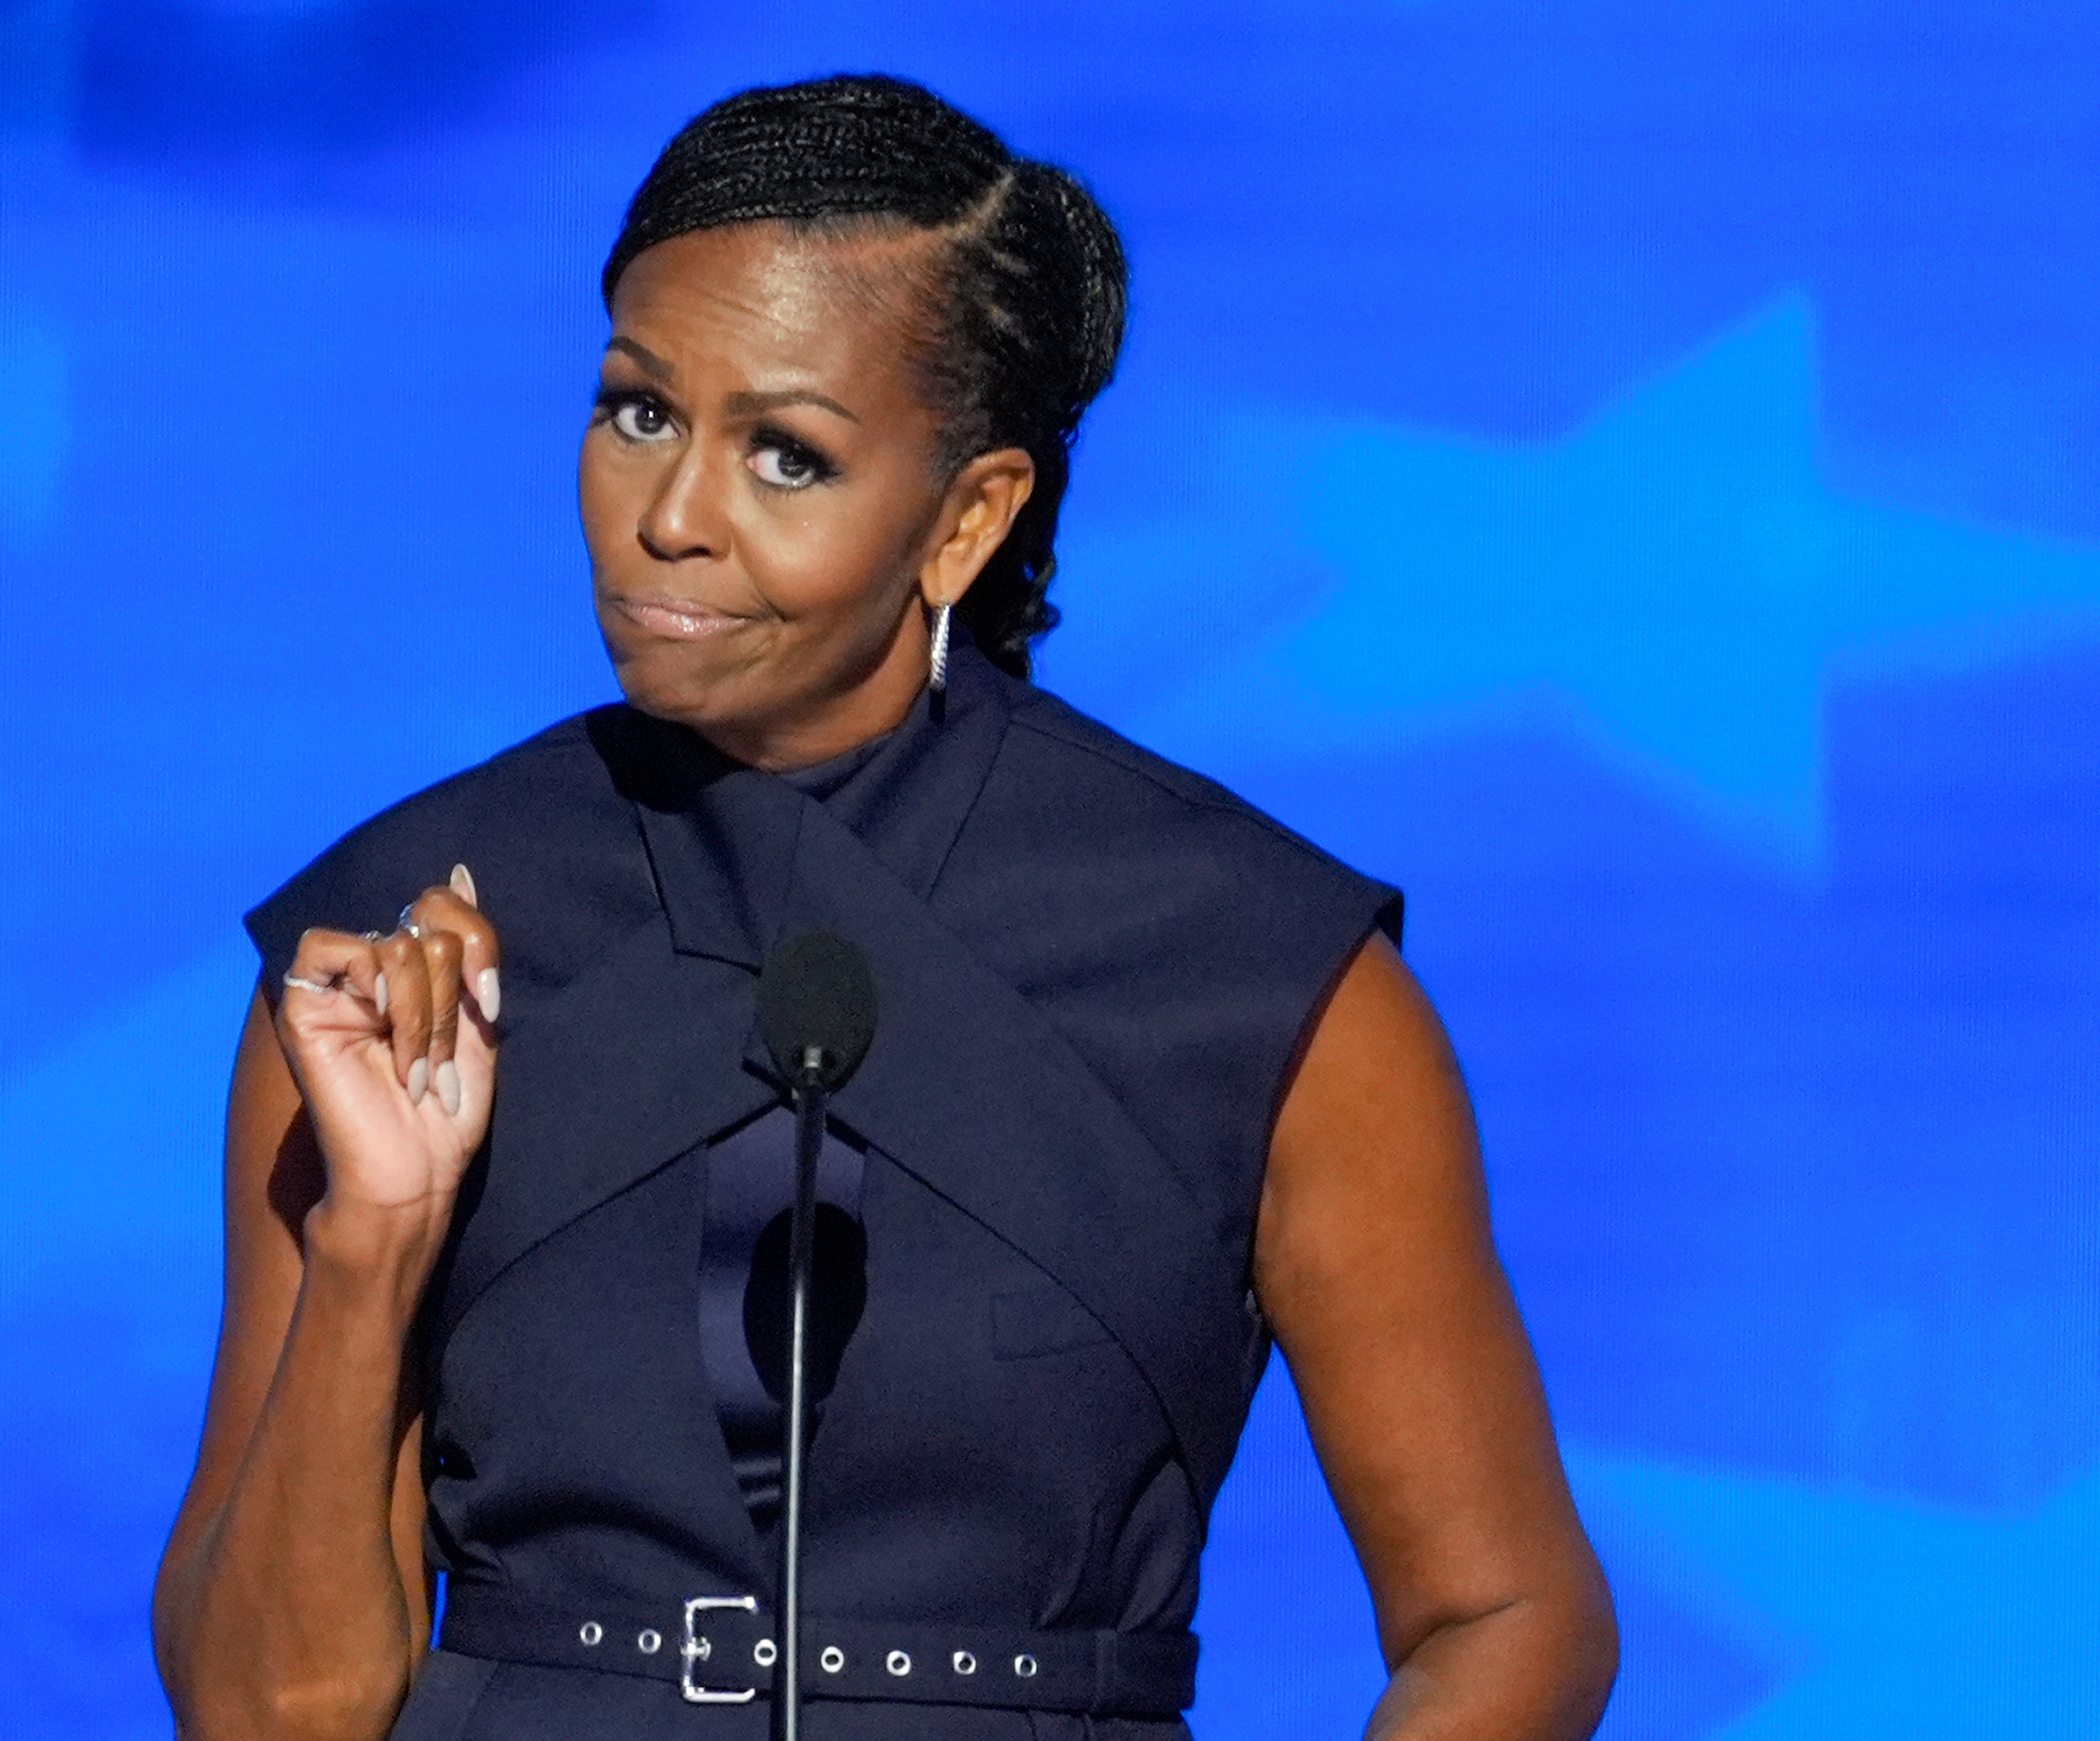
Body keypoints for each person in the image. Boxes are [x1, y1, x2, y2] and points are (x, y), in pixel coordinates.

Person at [151, 74, 1617, 1741]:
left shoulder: (1263, 977)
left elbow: (1508, 1615)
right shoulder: (394, 953)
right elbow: (266, 1715)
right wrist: (376, 1247)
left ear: (970, 518)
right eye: (639, 411)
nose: (674, 517)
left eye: (787, 455)